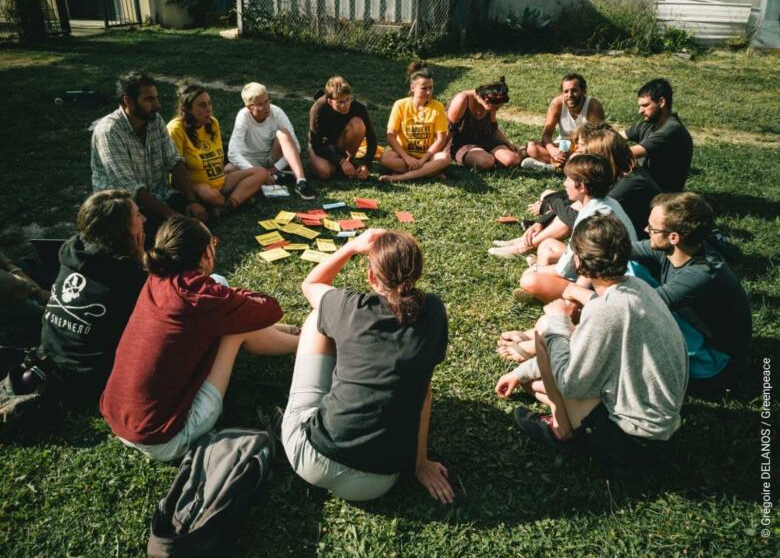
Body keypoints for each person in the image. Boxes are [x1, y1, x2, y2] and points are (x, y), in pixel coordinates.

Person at [495, 214, 688, 476]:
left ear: (578, 261)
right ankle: (553, 404)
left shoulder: (603, 313)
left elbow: (570, 383)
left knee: (545, 328)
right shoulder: (638, 288)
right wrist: (521, 373)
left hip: (631, 444)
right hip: (661, 429)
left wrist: (559, 322)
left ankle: (560, 432)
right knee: (535, 385)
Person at [100, 216, 300, 461]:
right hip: (167, 438)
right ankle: (307, 343)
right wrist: (233, 298)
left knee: (221, 290)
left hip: (119, 417)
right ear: (205, 253)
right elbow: (270, 308)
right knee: (233, 329)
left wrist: (228, 298)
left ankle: (292, 333)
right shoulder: (199, 297)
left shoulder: (158, 278)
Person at [282, 229, 453, 503]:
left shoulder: (346, 305)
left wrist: (351, 247)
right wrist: (420, 463)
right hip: (375, 483)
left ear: (372, 277)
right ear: (417, 273)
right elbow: (424, 391)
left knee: (317, 316)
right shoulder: (433, 311)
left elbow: (311, 284)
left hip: (310, 459)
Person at [34, 190, 148, 402]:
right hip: (91, 376)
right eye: (138, 215)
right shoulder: (127, 276)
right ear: (122, 229)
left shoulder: (71, 250)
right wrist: (140, 259)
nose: (144, 219)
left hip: (49, 356)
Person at [490, 122, 656, 259]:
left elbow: (578, 216)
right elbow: (577, 202)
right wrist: (540, 222)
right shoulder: (619, 173)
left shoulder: (629, 185)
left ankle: (524, 246)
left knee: (566, 214)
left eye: (588, 155)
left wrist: (552, 203)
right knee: (556, 199)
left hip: (633, 251)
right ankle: (524, 242)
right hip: (613, 240)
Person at [632, 192, 751, 381]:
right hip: (690, 326)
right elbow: (622, 251)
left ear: (673, 237)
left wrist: (575, 292)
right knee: (628, 267)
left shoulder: (702, 274)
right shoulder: (680, 249)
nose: (646, 229)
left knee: (636, 317)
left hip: (714, 358)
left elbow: (640, 307)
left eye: (652, 229)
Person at [91, 71, 208, 241]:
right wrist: (171, 215)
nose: (157, 105)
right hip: (124, 207)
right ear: (128, 101)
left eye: (156, 98)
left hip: (159, 196)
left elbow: (174, 161)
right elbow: (130, 188)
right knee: (157, 230)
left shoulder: (155, 120)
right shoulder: (109, 131)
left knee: (198, 210)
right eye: (149, 99)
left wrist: (191, 200)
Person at [516, 154, 637, 304]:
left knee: (529, 279)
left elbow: (565, 269)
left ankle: (561, 298)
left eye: (567, 179)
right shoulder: (608, 202)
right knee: (547, 245)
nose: (565, 183)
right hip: (604, 266)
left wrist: (536, 269)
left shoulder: (590, 219)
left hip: (606, 280)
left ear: (582, 186)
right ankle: (544, 287)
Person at [167, 82, 266, 216]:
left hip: (221, 182)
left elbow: (217, 161)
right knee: (209, 193)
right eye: (202, 105)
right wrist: (197, 189)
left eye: (209, 103)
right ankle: (238, 199)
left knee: (260, 173)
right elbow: (175, 173)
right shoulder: (175, 129)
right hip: (196, 188)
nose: (208, 109)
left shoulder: (212, 123)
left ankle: (227, 206)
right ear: (188, 108)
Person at [227, 82, 317, 200]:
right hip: (251, 161)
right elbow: (232, 153)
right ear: (249, 107)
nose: (267, 106)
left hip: (272, 158)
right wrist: (256, 172)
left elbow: (295, 146)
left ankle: (301, 182)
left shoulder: (277, 112)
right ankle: (272, 179)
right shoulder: (243, 116)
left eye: (267, 101)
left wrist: (273, 169)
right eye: (260, 104)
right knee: (228, 170)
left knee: (283, 133)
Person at [378, 61, 450, 182]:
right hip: (403, 156)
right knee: (384, 158)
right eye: (424, 88)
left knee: (445, 158)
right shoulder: (400, 105)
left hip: (428, 157)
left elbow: (441, 140)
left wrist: (423, 160)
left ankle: (401, 177)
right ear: (413, 87)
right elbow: (391, 137)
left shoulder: (438, 107)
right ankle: (428, 173)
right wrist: (407, 158)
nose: (428, 92)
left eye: (431, 87)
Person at [620, 78, 693, 192]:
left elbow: (630, 153)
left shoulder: (672, 130)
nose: (640, 111)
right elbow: (614, 137)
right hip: (642, 182)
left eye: (645, 105)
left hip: (661, 194)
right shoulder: (647, 124)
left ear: (661, 102)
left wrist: (597, 149)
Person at [522, 73, 605, 171]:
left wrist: (580, 150)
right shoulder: (557, 104)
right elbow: (546, 135)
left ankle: (551, 167)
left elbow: (598, 139)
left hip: (585, 148)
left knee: (583, 157)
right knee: (532, 148)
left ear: (583, 91)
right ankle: (566, 166)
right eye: (566, 91)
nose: (570, 95)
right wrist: (553, 150)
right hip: (564, 146)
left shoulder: (593, 106)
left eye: (574, 91)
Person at [308, 76, 379, 180]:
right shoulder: (318, 108)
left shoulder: (358, 107)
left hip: (341, 143)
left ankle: (348, 160)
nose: (345, 105)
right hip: (322, 145)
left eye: (348, 99)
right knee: (324, 172)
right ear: (330, 101)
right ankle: (340, 164)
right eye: (340, 102)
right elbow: (316, 144)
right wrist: (340, 161)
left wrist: (366, 164)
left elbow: (372, 138)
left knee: (358, 124)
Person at [447, 77, 525, 169]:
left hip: (487, 139)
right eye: (496, 108)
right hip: (464, 143)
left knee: (512, 160)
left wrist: (509, 144)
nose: (496, 110)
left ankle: (495, 157)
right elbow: (448, 129)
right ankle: (489, 158)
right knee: (486, 162)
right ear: (487, 101)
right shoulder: (463, 99)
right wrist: (443, 153)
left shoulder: (492, 99)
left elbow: (493, 128)